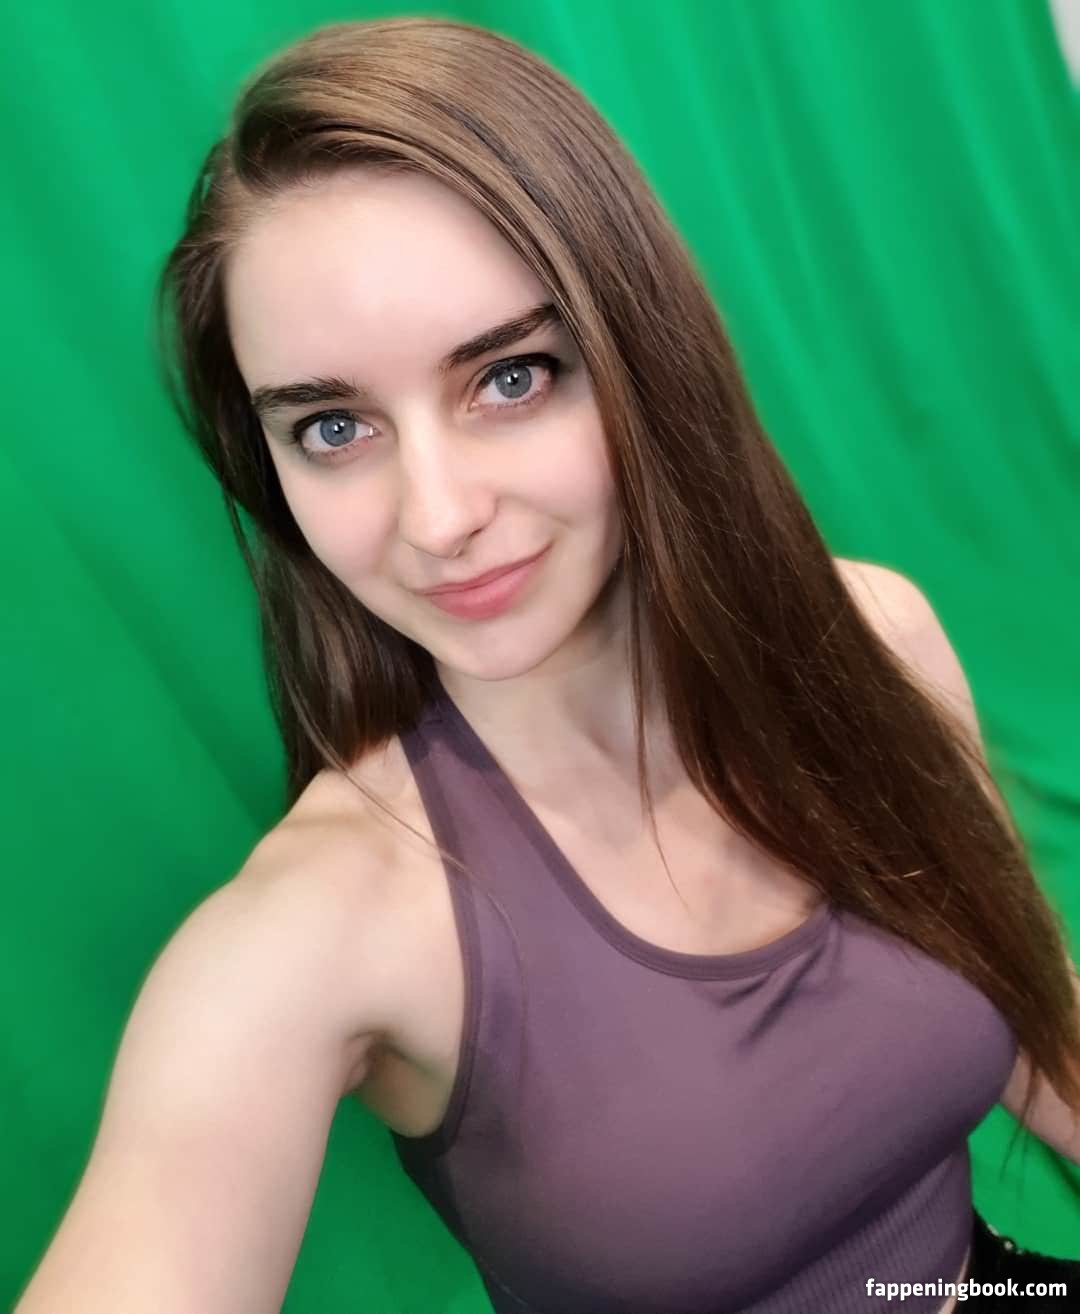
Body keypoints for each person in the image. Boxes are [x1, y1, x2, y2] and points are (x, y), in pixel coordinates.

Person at [14, 15, 1080, 1314]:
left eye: (511, 377)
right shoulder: (311, 934)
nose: (438, 516)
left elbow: (1039, 1029)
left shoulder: (879, 642)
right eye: (334, 427)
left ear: (644, 356)